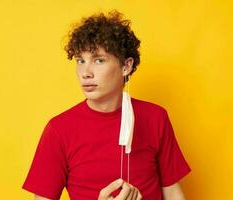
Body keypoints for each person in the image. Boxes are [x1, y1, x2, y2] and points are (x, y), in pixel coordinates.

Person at [22, 10, 191, 200]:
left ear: (126, 66)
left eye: (98, 60)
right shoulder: (59, 130)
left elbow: (173, 193)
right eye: (80, 61)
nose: (85, 72)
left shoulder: (155, 118)